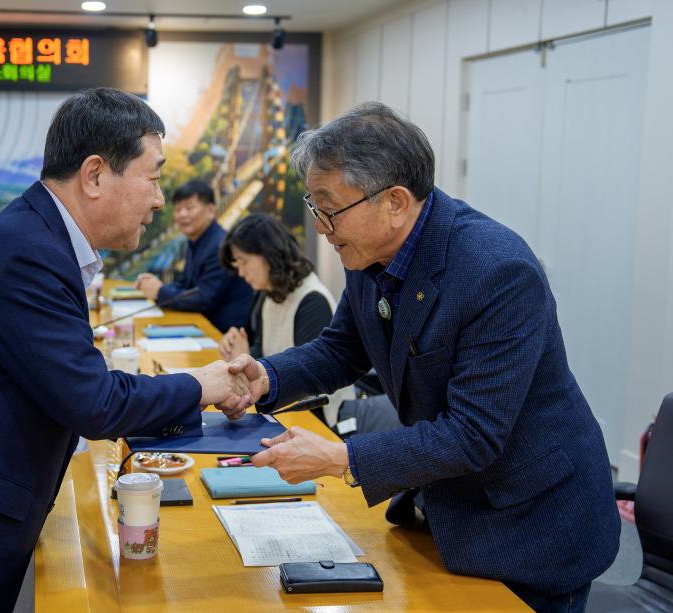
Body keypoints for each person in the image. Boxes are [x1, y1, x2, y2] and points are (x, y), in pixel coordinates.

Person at [0, 88, 253, 613]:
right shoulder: (27, 254)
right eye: (153, 177)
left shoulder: (35, 237)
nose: (158, 200)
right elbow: (94, 402)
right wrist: (201, 385)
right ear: (96, 174)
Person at [226, 102, 620, 612]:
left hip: (532, 523)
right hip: (447, 506)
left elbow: (473, 434)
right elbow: (343, 347)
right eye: (314, 204)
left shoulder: (496, 271)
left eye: (330, 207)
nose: (321, 225)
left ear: (394, 201)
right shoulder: (367, 251)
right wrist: (266, 378)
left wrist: (338, 458)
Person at [216, 212, 357, 428]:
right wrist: (241, 355)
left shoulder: (311, 301)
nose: (241, 273)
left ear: (268, 254)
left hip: (319, 423)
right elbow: (264, 352)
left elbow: (312, 384)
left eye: (243, 262)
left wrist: (245, 356)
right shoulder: (267, 293)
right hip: (281, 411)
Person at [134, 180, 252, 333]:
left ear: (210, 210)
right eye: (178, 209)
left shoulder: (220, 246)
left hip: (223, 334)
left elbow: (205, 299)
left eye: (189, 208)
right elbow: (185, 285)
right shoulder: (196, 240)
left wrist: (159, 291)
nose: (182, 214)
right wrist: (156, 285)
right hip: (202, 326)